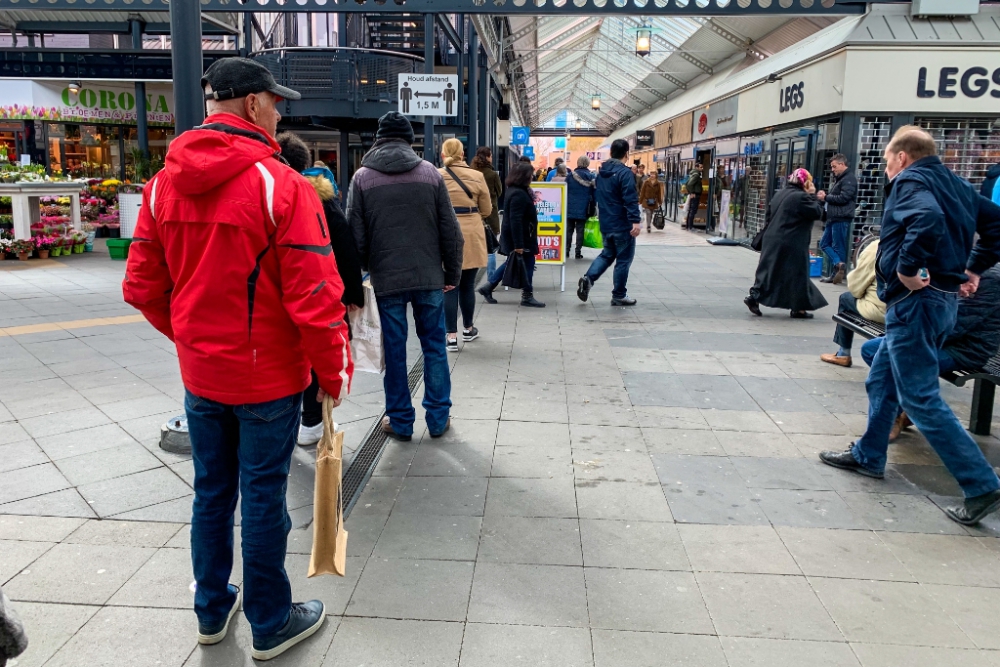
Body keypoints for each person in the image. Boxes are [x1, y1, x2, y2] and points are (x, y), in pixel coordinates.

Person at [122, 58, 353, 660]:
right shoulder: (282, 185)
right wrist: (333, 372)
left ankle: (211, 610)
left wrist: (195, 340)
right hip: (268, 379)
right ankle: (271, 622)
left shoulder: (161, 184)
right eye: (277, 102)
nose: (281, 114)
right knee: (262, 497)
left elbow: (143, 286)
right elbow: (315, 295)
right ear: (252, 104)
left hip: (203, 377)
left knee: (211, 492)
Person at [819, 125, 1000, 526]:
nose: (886, 169)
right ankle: (869, 453)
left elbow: (927, 218)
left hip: (917, 303)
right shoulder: (955, 183)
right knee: (882, 375)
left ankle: (981, 485)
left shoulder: (911, 180)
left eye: (886, 161)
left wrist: (906, 268)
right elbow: (996, 224)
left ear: (902, 157)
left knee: (919, 398)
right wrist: (972, 269)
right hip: (942, 302)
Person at [347, 111, 464, 442]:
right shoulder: (429, 174)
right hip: (429, 276)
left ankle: (400, 421)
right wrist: (451, 274)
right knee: (434, 347)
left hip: (387, 280)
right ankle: (439, 418)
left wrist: (359, 279)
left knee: (395, 350)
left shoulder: (363, 178)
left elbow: (355, 237)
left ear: (379, 140)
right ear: (410, 141)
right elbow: (452, 233)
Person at [276, 132, 365, 446]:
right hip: (321, 292)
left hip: (275, 299)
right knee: (315, 354)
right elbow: (345, 247)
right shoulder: (322, 200)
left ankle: (295, 420)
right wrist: (354, 294)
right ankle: (312, 420)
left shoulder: (272, 195)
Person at [860, 265, 1000, 441]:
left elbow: (959, 324)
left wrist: (909, 337)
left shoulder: (989, 279)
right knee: (872, 349)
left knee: (892, 360)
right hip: (937, 336)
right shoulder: (956, 267)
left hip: (964, 349)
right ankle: (912, 406)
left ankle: (897, 414)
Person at [744, 168, 827, 319]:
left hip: (773, 238)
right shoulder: (801, 197)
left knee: (770, 270)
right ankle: (798, 309)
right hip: (791, 241)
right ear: (805, 182)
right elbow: (817, 213)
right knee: (798, 273)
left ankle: (755, 297)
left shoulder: (780, 193)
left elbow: (769, 214)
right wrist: (814, 196)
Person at [438, 138, 492, 352]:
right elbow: (486, 209)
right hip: (471, 231)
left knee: (449, 286)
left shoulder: (436, 176)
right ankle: (468, 329)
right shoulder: (477, 176)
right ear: (462, 154)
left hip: (445, 233)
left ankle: (450, 336)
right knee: (467, 285)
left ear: (443, 155)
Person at [577, 139, 641, 307]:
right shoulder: (625, 173)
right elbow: (630, 198)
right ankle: (619, 295)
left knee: (607, 254)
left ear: (611, 152)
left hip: (606, 222)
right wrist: (635, 221)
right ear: (626, 154)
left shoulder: (601, 173)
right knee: (623, 260)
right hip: (622, 224)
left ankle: (588, 278)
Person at [820, 239, 885, 368]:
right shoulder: (926, 246)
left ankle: (843, 353)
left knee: (846, 298)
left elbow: (855, 286)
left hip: (884, 311)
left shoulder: (878, 247)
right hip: (917, 312)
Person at [495, 162, 544, 307]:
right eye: (530, 174)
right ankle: (527, 295)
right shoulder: (518, 193)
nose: (532, 177)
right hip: (523, 237)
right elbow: (515, 220)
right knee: (528, 264)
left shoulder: (515, 190)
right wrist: (518, 245)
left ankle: (489, 286)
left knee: (513, 262)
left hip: (523, 236)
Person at [817, 153, 858, 285]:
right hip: (834, 217)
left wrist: (826, 197)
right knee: (824, 243)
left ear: (842, 164)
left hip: (841, 217)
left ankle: (836, 273)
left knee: (838, 246)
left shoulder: (849, 179)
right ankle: (838, 265)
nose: (832, 169)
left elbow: (844, 198)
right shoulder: (841, 179)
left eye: (834, 166)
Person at [472, 146, 503, 277]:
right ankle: (491, 278)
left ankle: (472, 276)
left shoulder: (471, 172)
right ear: (488, 157)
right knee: (490, 249)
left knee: (475, 248)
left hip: (474, 215)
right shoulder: (492, 174)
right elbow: (500, 192)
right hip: (490, 214)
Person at [566, 155, 596, 260]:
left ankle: (566, 251)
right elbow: (595, 193)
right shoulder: (591, 177)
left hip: (569, 207)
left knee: (569, 230)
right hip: (584, 208)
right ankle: (578, 252)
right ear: (587, 163)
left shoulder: (570, 176)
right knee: (580, 230)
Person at [684, 166, 703, 231]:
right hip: (695, 194)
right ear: (696, 167)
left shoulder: (693, 174)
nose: (702, 168)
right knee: (693, 210)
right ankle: (690, 226)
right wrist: (692, 192)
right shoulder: (696, 175)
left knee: (691, 210)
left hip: (694, 194)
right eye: (700, 167)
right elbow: (689, 184)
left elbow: (687, 184)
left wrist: (690, 192)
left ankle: (688, 226)